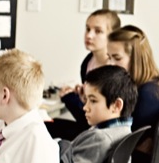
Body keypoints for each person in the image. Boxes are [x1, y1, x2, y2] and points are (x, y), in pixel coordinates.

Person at [63, 63, 138, 163]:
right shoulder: (123, 130)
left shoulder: (100, 139)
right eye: (86, 100)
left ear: (116, 105)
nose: (85, 107)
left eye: (93, 101)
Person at [52, 8, 121, 137]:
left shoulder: (114, 70)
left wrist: (69, 98)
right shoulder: (88, 62)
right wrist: (82, 96)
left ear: (112, 35)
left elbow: (96, 119)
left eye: (98, 31)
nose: (89, 35)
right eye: (88, 29)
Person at [105, 25, 159, 133]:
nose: (110, 64)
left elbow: (123, 135)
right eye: (109, 57)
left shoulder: (147, 96)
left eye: (117, 58)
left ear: (135, 60)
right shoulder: (144, 87)